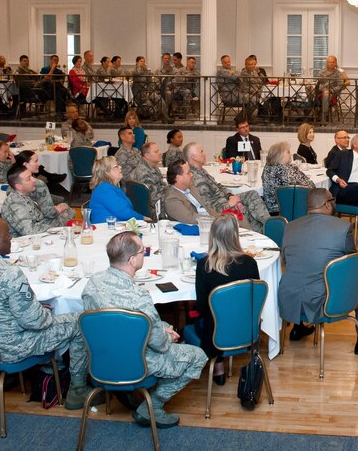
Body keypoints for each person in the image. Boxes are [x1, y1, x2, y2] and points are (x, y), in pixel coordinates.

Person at [0, 217, 95, 410]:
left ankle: (55, 371)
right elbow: (35, 322)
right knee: (81, 321)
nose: (11, 238)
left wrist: (33, 308)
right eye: (7, 235)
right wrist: (40, 311)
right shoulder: (9, 272)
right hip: (12, 347)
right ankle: (78, 391)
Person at [82, 231, 207, 428]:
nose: (144, 254)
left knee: (161, 329)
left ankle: (126, 393)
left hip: (101, 362)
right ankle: (152, 407)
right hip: (137, 363)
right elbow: (159, 344)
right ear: (132, 260)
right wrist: (169, 336)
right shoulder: (138, 297)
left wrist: (161, 329)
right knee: (198, 356)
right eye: (143, 251)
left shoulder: (92, 284)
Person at [278, 188, 358, 354]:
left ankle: (298, 328)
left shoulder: (290, 227)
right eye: (333, 201)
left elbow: (288, 261)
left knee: (304, 271)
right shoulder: (343, 228)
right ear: (326, 205)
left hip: (289, 297)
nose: (335, 204)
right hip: (321, 301)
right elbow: (351, 265)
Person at [192, 214, 260, 385]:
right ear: (235, 235)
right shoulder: (250, 263)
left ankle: (218, 365)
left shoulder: (205, 265)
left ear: (212, 236)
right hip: (247, 329)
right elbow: (255, 299)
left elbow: (200, 306)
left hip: (214, 334)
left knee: (200, 319)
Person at [184, 142, 270, 233]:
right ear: (194, 157)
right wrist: (229, 204)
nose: (204, 154)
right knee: (245, 209)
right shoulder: (195, 178)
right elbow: (208, 207)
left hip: (225, 200)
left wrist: (230, 196)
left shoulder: (201, 170)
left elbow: (218, 186)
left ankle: (269, 225)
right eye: (201, 152)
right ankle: (267, 230)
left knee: (252, 194)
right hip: (221, 208)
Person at [0, 164, 73, 236]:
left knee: (67, 211)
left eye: (32, 176)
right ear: (19, 186)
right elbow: (30, 231)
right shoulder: (15, 203)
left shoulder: (23, 195)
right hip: (26, 241)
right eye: (29, 179)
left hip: (40, 228)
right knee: (68, 215)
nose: (34, 180)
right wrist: (55, 229)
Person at [87, 156, 147, 224]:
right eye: (116, 166)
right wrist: (145, 218)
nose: (120, 167)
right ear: (106, 172)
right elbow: (125, 214)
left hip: (117, 227)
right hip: (107, 230)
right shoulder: (104, 190)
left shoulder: (113, 187)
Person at [163, 159, 225, 225]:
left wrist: (220, 217)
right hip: (198, 228)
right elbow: (190, 218)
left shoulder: (191, 188)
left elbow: (207, 207)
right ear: (179, 178)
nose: (192, 174)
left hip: (211, 222)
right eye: (188, 173)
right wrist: (216, 220)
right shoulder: (171, 199)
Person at [261, 142, 315, 215]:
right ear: (280, 155)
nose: (291, 154)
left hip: (272, 210)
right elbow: (311, 186)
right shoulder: (287, 170)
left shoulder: (267, 168)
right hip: (292, 210)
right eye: (288, 152)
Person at [127, 142, 167, 217]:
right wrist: (171, 192)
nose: (160, 153)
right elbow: (153, 199)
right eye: (156, 152)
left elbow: (161, 185)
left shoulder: (153, 166)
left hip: (157, 204)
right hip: (155, 210)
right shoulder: (144, 173)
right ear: (147, 155)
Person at [314, 55, 349, 121]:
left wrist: (331, 89)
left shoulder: (338, 74)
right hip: (319, 92)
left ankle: (324, 117)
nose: (331, 64)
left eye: (333, 62)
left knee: (326, 92)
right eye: (329, 62)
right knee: (308, 88)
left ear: (335, 63)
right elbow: (318, 83)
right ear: (327, 63)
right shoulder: (321, 72)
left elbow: (340, 85)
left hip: (332, 94)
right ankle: (308, 114)